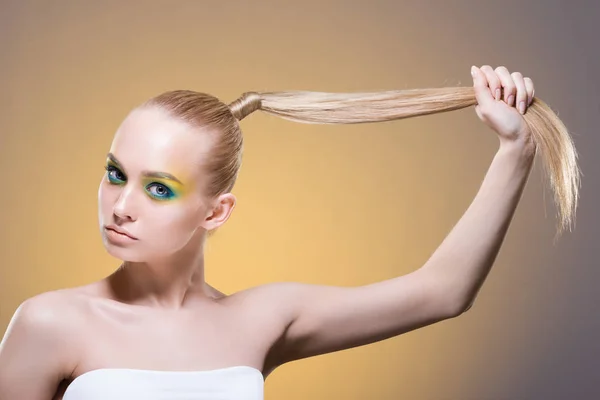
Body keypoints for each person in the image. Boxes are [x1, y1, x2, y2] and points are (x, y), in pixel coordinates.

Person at [0, 65, 580, 400]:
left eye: (158, 188)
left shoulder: (263, 318)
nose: (119, 205)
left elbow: (444, 292)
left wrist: (515, 149)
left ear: (216, 213)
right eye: (114, 174)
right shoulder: (50, 323)